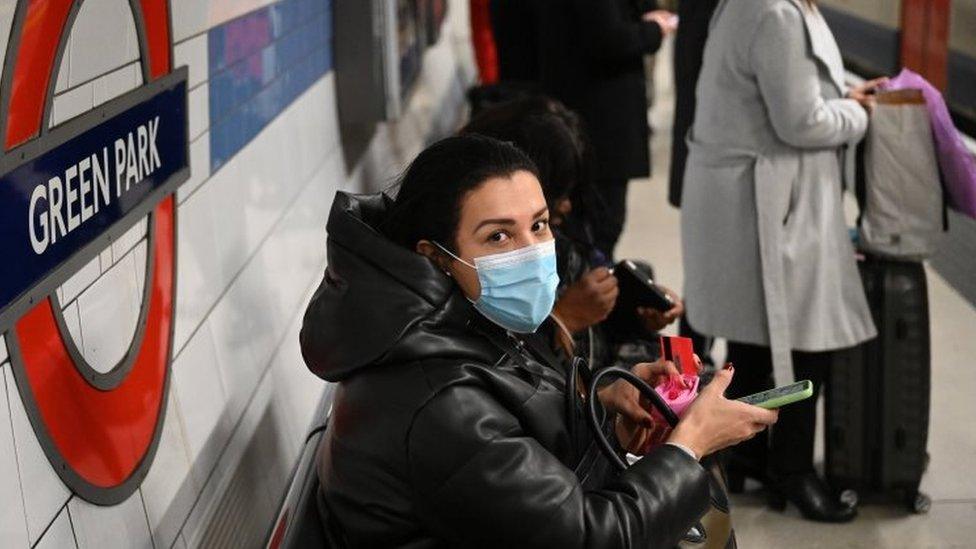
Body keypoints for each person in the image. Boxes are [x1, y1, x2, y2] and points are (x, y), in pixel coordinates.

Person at [301, 135, 778, 546]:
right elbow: (588, 538)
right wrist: (688, 447)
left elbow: (521, 471)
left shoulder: (450, 323)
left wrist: (604, 404)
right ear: (436, 257)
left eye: (539, 224)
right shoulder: (439, 401)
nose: (532, 253)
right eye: (497, 238)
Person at [680, 0, 887, 523]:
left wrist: (840, 97)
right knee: (803, 344)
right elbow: (802, 123)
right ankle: (791, 470)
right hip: (767, 207)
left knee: (755, 342)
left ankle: (749, 453)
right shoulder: (775, 12)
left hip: (758, 202)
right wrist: (859, 113)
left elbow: (789, 93)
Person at [461, 97, 684, 370]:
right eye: (498, 235)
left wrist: (629, 311)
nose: (565, 206)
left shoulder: (565, 244)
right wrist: (563, 319)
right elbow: (517, 381)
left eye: (539, 225)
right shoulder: (469, 287)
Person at [531, 0, 677, 258]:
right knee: (598, 227)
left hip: (587, 118)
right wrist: (654, 29)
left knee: (595, 225)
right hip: (596, 122)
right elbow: (608, 40)